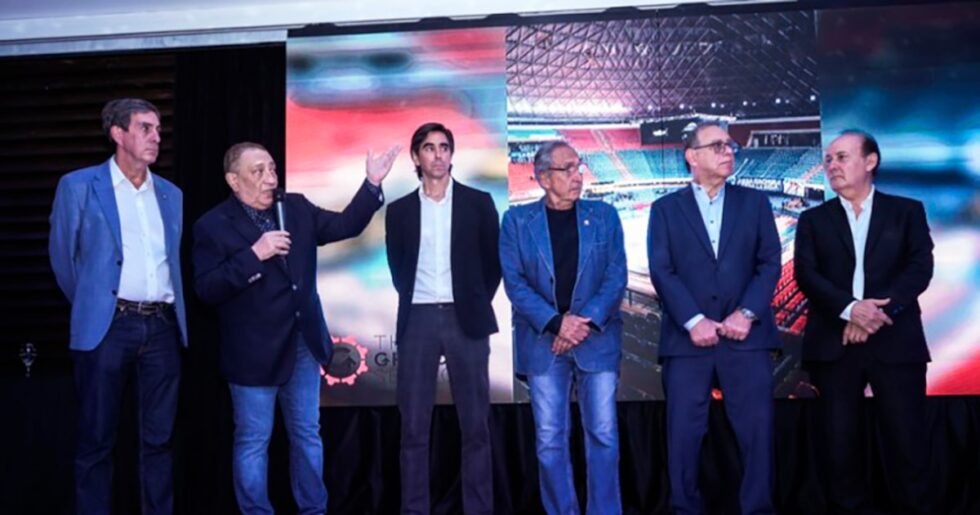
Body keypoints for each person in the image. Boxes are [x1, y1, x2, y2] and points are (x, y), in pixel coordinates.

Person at [192, 141, 399, 514]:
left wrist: (371, 183)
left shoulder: (296, 208)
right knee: (253, 441)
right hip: (253, 354)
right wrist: (254, 255)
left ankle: (313, 510)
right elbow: (206, 288)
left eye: (272, 168)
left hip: (303, 344)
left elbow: (346, 225)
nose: (270, 178)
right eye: (258, 171)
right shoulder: (212, 225)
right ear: (233, 180)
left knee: (307, 435)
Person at [49, 98, 187, 515]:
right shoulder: (79, 186)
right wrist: (94, 306)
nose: (156, 137)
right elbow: (64, 259)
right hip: (108, 327)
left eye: (159, 129)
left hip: (162, 327)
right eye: (146, 128)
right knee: (96, 439)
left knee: (159, 441)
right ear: (117, 133)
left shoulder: (171, 194)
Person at [795, 130, 934, 515]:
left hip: (896, 342)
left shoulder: (907, 211)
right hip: (834, 343)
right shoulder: (812, 220)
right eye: (828, 160)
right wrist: (850, 309)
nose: (831, 166)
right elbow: (807, 275)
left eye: (841, 157)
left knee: (908, 445)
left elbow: (919, 268)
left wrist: (874, 314)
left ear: (870, 161)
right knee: (839, 449)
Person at [647, 122, 781, 515]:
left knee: (758, 436)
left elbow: (770, 263)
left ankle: (758, 509)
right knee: (683, 438)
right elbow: (662, 270)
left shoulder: (755, 203)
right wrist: (693, 320)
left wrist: (747, 312)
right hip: (686, 343)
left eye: (729, 145)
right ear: (692, 156)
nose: (728, 151)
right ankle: (685, 509)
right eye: (717, 145)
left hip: (747, 338)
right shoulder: (665, 209)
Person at [500, 141, 627, 514]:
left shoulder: (604, 215)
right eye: (567, 169)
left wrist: (580, 324)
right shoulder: (516, 221)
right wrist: (557, 324)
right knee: (549, 440)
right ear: (543, 178)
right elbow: (515, 283)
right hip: (544, 343)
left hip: (595, 339)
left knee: (603, 435)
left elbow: (615, 276)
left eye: (579, 166)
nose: (577, 175)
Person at [385, 122, 501, 515]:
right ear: (416, 156)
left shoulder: (478, 202)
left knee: (476, 426)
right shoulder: (399, 210)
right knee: (413, 428)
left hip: (465, 319)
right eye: (429, 147)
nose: (438, 154)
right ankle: (415, 509)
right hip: (417, 319)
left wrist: (471, 302)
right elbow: (398, 269)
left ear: (452, 154)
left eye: (444, 147)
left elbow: (492, 265)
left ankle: (479, 509)